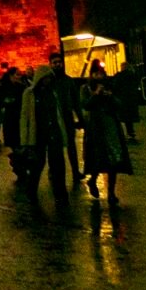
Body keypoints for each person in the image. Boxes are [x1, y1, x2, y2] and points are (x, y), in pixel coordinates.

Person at [79, 65, 132, 204]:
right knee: (98, 158)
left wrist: (111, 97)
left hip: (111, 126)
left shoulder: (110, 86)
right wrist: (96, 95)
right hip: (96, 128)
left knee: (113, 160)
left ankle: (111, 193)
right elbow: (85, 105)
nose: (98, 76)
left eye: (100, 73)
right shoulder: (86, 88)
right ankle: (93, 180)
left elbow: (119, 104)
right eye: (95, 73)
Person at [17, 65, 69, 205]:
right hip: (38, 134)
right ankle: (31, 191)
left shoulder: (53, 92)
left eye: (49, 78)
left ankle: (61, 194)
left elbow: (58, 113)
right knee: (38, 164)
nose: (48, 80)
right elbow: (25, 117)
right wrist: (25, 140)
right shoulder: (29, 93)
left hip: (54, 133)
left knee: (58, 165)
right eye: (46, 78)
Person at [49, 52, 83, 187]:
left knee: (71, 146)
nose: (58, 64)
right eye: (55, 62)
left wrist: (80, 118)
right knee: (54, 148)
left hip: (67, 117)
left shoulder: (68, 81)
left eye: (59, 62)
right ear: (50, 64)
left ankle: (75, 171)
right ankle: (53, 171)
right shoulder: (48, 81)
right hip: (53, 118)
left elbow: (75, 101)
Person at [114, 62, 142, 142]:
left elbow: (115, 86)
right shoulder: (133, 75)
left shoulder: (119, 76)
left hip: (122, 99)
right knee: (129, 119)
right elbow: (137, 84)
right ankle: (131, 133)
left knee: (122, 117)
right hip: (131, 99)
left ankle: (124, 134)